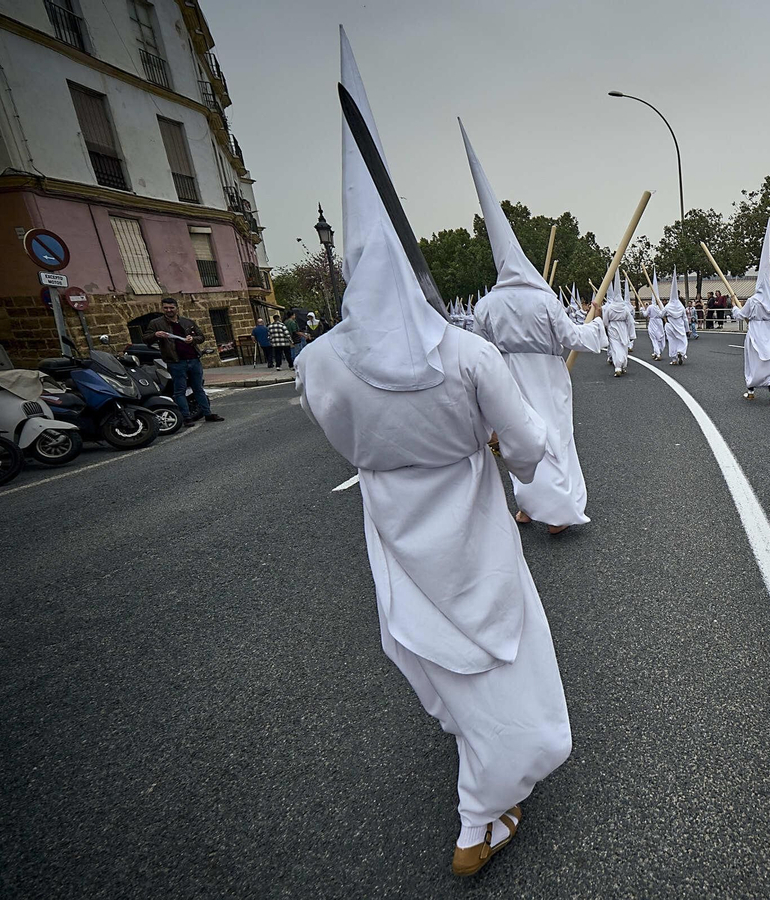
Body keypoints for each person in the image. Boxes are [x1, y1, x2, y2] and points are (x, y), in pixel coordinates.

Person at [300, 31, 569, 877]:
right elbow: (526, 447)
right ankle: (479, 813)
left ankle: (477, 776)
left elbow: (343, 436)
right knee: (503, 654)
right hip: (473, 524)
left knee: (438, 655)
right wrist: (498, 445)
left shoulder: (318, 363)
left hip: (393, 526)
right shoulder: (467, 356)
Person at [463, 121, 607, 535]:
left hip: (505, 377)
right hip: (547, 374)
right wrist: (593, 321)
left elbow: (477, 352)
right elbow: (574, 339)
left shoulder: (486, 305)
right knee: (556, 440)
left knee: (518, 440)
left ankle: (527, 506)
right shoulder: (544, 301)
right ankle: (557, 511)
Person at [731, 220, 770, 404]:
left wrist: (733, 306)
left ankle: (751, 390)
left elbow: (740, 315)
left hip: (755, 334)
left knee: (754, 362)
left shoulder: (753, 301)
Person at [145, 297, 223, 423]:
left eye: (171, 308)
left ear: (177, 308)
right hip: (176, 362)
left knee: (198, 388)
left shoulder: (188, 322)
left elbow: (201, 337)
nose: (169, 310)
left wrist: (193, 339)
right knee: (179, 390)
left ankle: (208, 413)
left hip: (193, 359)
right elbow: (146, 339)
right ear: (162, 308)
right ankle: (186, 417)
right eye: (166, 308)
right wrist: (155, 335)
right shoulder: (156, 323)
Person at [601, 273, 634, 376]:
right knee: (624, 346)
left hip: (613, 328)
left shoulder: (610, 308)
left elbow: (605, 320)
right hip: (623, 328)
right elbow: (630, 322)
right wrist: (631, 334)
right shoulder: (625, 309)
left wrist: (606, 328)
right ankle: (622, 365)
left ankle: (618, 366)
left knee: (615, 347)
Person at [664, 283, 689, 364]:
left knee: (672, 341)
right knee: (682, 340)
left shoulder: (668, 306)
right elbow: (685, 318)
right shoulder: (681, 306)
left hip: (670, 325)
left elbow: (661, 314)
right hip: (679, 325)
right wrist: (687, 329)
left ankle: (674, 359)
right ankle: (680, 352)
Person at [645, 277, 667, 360]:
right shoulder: (660, 306)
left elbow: (645, 314)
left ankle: (657, 353)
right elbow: (662, 314)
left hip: (653, 322)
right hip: (659, 322)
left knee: (654, 338)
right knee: (660, 337)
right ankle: (657, 351)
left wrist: (643, 309)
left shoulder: (650, 307)